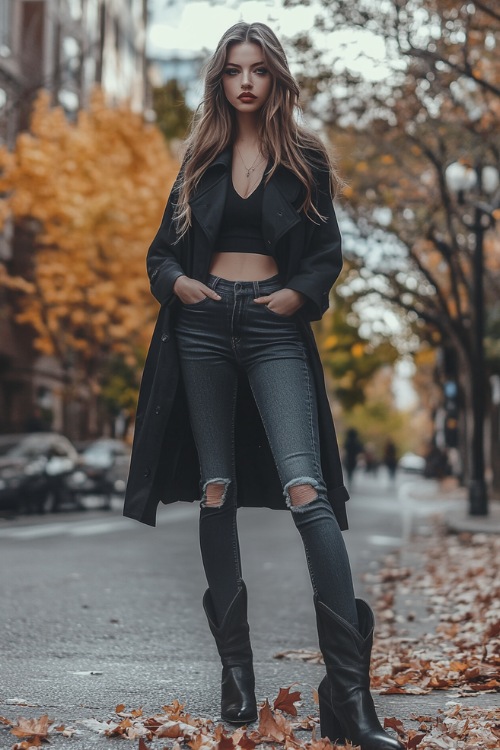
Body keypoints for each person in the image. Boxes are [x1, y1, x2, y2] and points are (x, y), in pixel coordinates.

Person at [123, 22, 403, 750]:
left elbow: (327, 251)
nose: (246, 82)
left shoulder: (305, 158)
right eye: (233, 71)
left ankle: (348, 692)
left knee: (306, 490)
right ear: (220, 81)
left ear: (276, 79)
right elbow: (160, 254)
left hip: (277, 327)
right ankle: (237, 675)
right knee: (216, 487)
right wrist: (179, 283)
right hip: (203, 325)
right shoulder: (200, 157)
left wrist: (298, 295)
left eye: (258, 71)